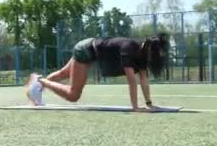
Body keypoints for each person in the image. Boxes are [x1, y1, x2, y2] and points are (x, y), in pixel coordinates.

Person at [25, 33, 169, 112]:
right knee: (73, 95)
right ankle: (41, 81)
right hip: (85, 50)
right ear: (148, 49)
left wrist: (149, 103)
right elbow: (132, 80)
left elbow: (143, 79)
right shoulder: (129, 49)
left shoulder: (142, 54)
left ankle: (35, 89)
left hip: (89, 46)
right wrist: (135, 107)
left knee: (63, 73)